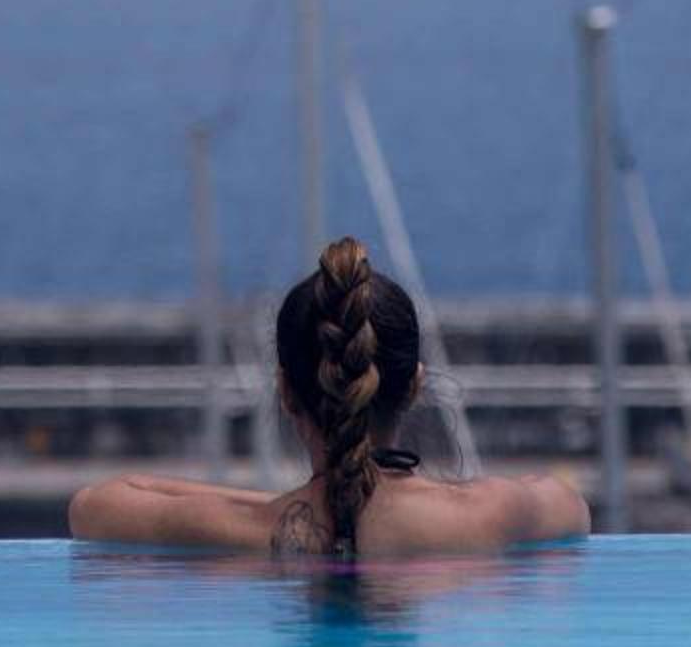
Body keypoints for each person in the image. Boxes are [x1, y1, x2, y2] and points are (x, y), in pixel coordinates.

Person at [69, 235, 591, 556]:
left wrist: (283, 502)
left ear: (285, 391)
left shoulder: (252, 531)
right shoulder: (487, 517)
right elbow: (568, 504)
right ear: (414, 385)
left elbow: (94, 506)